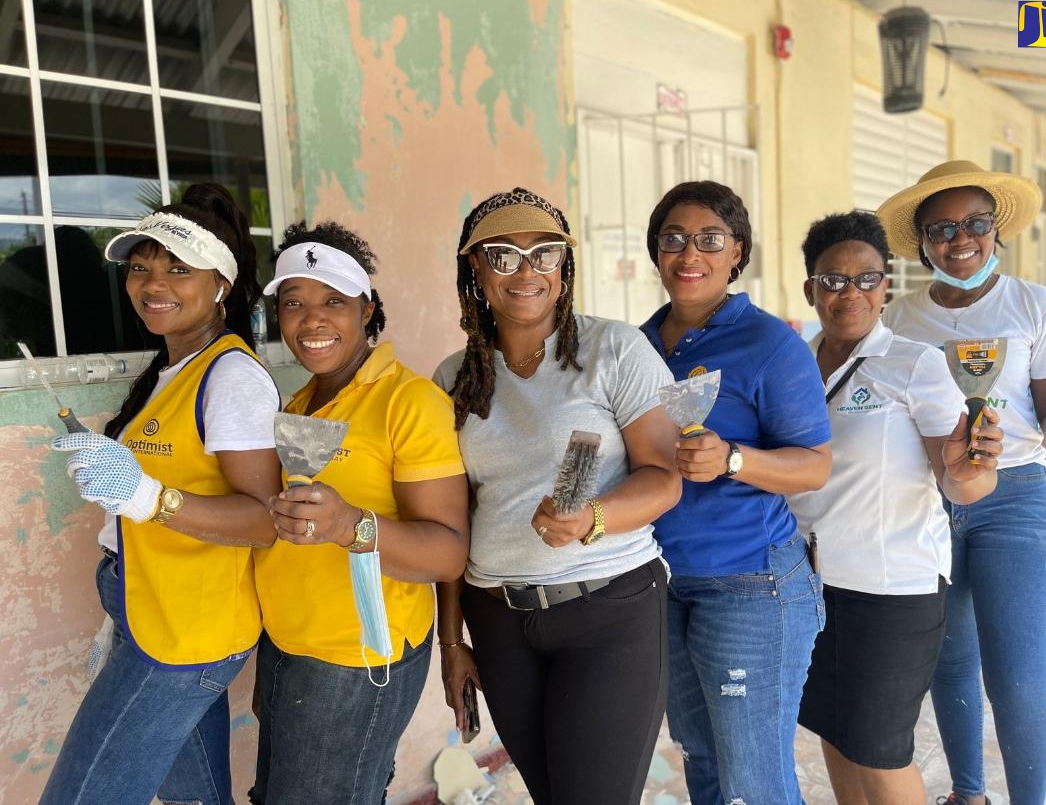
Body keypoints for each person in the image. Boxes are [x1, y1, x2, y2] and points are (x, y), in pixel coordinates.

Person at [434, 187, 681, 805]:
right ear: (475, 270)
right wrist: (452, 641)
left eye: (545, 254)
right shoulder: (452, 378)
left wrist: (591, 519)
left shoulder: (613, 350)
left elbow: (664, 476)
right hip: (498, 620)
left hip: (608, 610)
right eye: (503, 255)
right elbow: (451, 521)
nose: (527, 271)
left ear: (564, 269)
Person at [41, 183, 281, 805]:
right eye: (142, 267)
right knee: (194, 800)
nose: (154, 283)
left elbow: (264, 520)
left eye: (179, 268)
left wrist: (147, 497)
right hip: (150, 612)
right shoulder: (173, 370)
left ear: (221, 285)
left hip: (185, 634)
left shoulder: (230, 378)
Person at [878, 159, 1046, 805]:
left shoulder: (1033, 305)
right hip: (927, 501)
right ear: (923, 242)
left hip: (1015, 497)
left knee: (1017, 675)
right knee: (950, 662)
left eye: (975, 224)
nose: (960, 241)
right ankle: (968, 795)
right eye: (942, 229)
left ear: (997, 231)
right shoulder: (898, 319)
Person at [789, 211, 1003, 805]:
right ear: (810, 289)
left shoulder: (914, 364)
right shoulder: (795, 366)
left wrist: (972, 469)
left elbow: (960, 484)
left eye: (866, 279)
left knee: (880, 752)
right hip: (808, 587)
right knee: (835, 732)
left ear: (887, 286)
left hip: (893, 591)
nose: (849, 293)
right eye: (832, 280)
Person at [251, 221, 469, 805]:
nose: (311, 319)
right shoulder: (299, 402)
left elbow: (448, 550)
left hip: (355, 658)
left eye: (333, 302)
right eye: (293, 303)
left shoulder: (409, 401)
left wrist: (351, 525)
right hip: (285, 646)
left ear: (367, 310)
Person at [639, 180, 832, 804]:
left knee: (754, 780)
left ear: (736, 253)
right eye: (673, 239)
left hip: (751, 583)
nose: (689, 254)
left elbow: (814, 466)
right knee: (702, 759)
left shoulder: (770, 344)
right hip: (664, 585)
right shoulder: (635, 347)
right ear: (656, 251)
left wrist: (734, 459)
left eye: (709, 240)